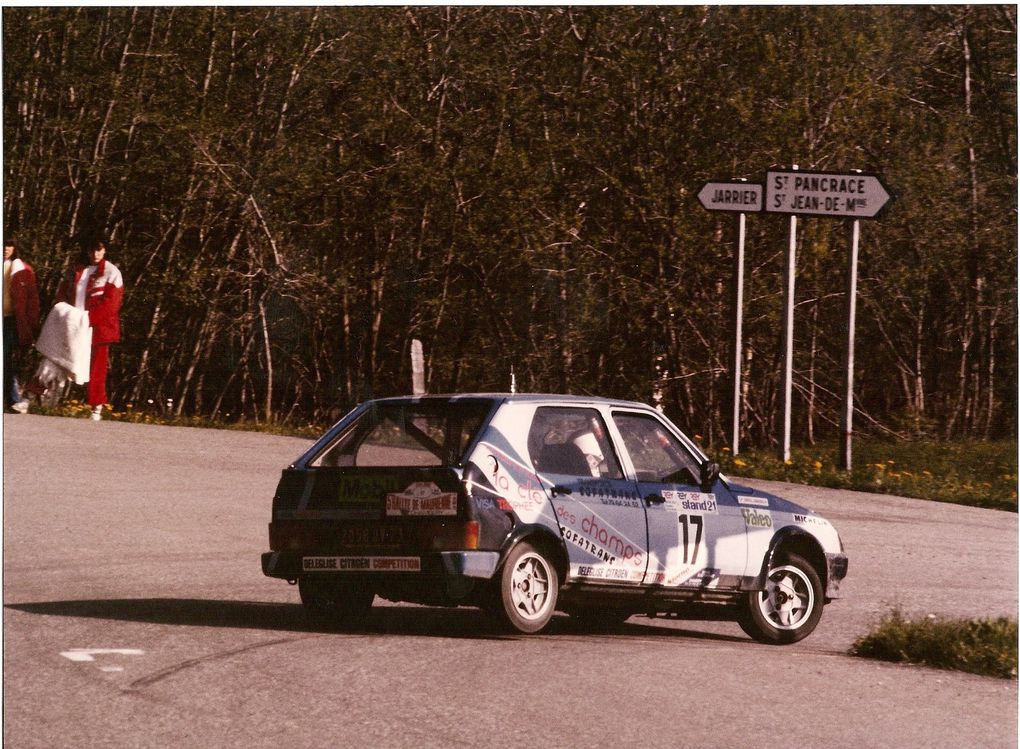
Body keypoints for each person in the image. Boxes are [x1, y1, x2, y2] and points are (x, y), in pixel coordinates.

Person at [55, 238, 124, 420]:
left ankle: (96, 407)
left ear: (105, 251)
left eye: (99, 250)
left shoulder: (112, 272)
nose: (95, 254)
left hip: (97, 329)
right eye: (92, 250)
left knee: (97, 369)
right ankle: (31, 396)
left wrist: (88, 320)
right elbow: (62, 293)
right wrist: (62, 313)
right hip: (72, 324)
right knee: (54, 358)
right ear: (86, 250)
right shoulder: (75, 270)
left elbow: (112, 304)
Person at [3, 238, 41, 412]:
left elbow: (32, 301)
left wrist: (31, 326)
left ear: (15, 248)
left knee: (6, 358)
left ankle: (13, 399)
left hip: (10, 320)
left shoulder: (23, 270)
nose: (5, 248)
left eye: (9, 245)